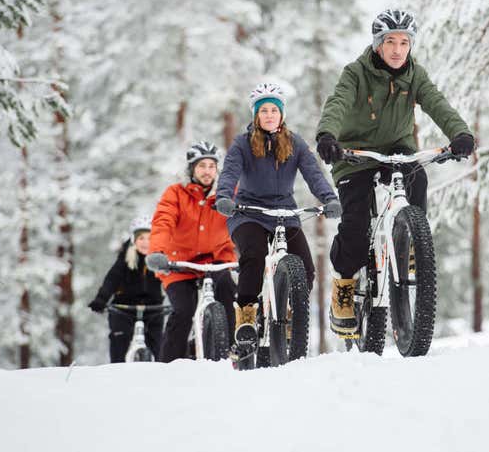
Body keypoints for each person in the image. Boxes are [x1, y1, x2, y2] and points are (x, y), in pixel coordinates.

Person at [315, 8, 475, 335]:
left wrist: (460, 133)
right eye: (391, 42)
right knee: (356, 225)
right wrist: (327, 136)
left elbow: (437, 103)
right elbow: (338, 103)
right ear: (378, 45)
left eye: (404, 42)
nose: (398, 49)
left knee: (417, 176)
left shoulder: (415, 74)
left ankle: (410, 242)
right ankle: (345, 283)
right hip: (354, 152)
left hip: (396, 147)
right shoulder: (355, 73)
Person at [215, 83, 342, 353]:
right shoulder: (242, 144)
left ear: (282, 115)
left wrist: (329, 199)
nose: (270, 115)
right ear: (256, 116)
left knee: (306, 269)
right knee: (255, 253)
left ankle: (287, 312)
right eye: (264, 111)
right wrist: (224, 197)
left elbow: (314, 175)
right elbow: (229, 173)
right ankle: (247, 317)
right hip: (248, 212)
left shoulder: (295, 143)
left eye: (275, 110)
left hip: (285, 212)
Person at [145, 141, 238, 361]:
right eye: (201, 166)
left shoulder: (228, 193)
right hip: (179, 264)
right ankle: (168, 364)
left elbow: (247, 219)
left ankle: (233, 349)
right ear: (191, 169)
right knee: (184, 310)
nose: (207, 171)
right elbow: (163, 222)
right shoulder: (175, 193)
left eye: (211, 166)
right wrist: (157, 252)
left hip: (217, 259)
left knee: (226, 289)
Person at [88, 216, 165, 362]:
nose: (145, 243)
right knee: (120, 338)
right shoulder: (125, 259)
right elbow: (111, 280)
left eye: (150, 238)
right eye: (141, 238)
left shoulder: (158, 259)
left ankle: (159, 373)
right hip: (124, 308)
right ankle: (117, 370)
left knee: (159, 344)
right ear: (134, 240)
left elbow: (170, 280)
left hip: (153, 308)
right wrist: (101, 300)